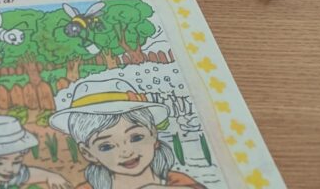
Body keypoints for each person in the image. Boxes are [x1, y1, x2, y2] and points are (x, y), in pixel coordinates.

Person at [50, 78, 205, 188]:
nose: (126, 151)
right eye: (106, 146)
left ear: (153, 134)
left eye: (136, 138)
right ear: (88, 153)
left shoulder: (179, 183)